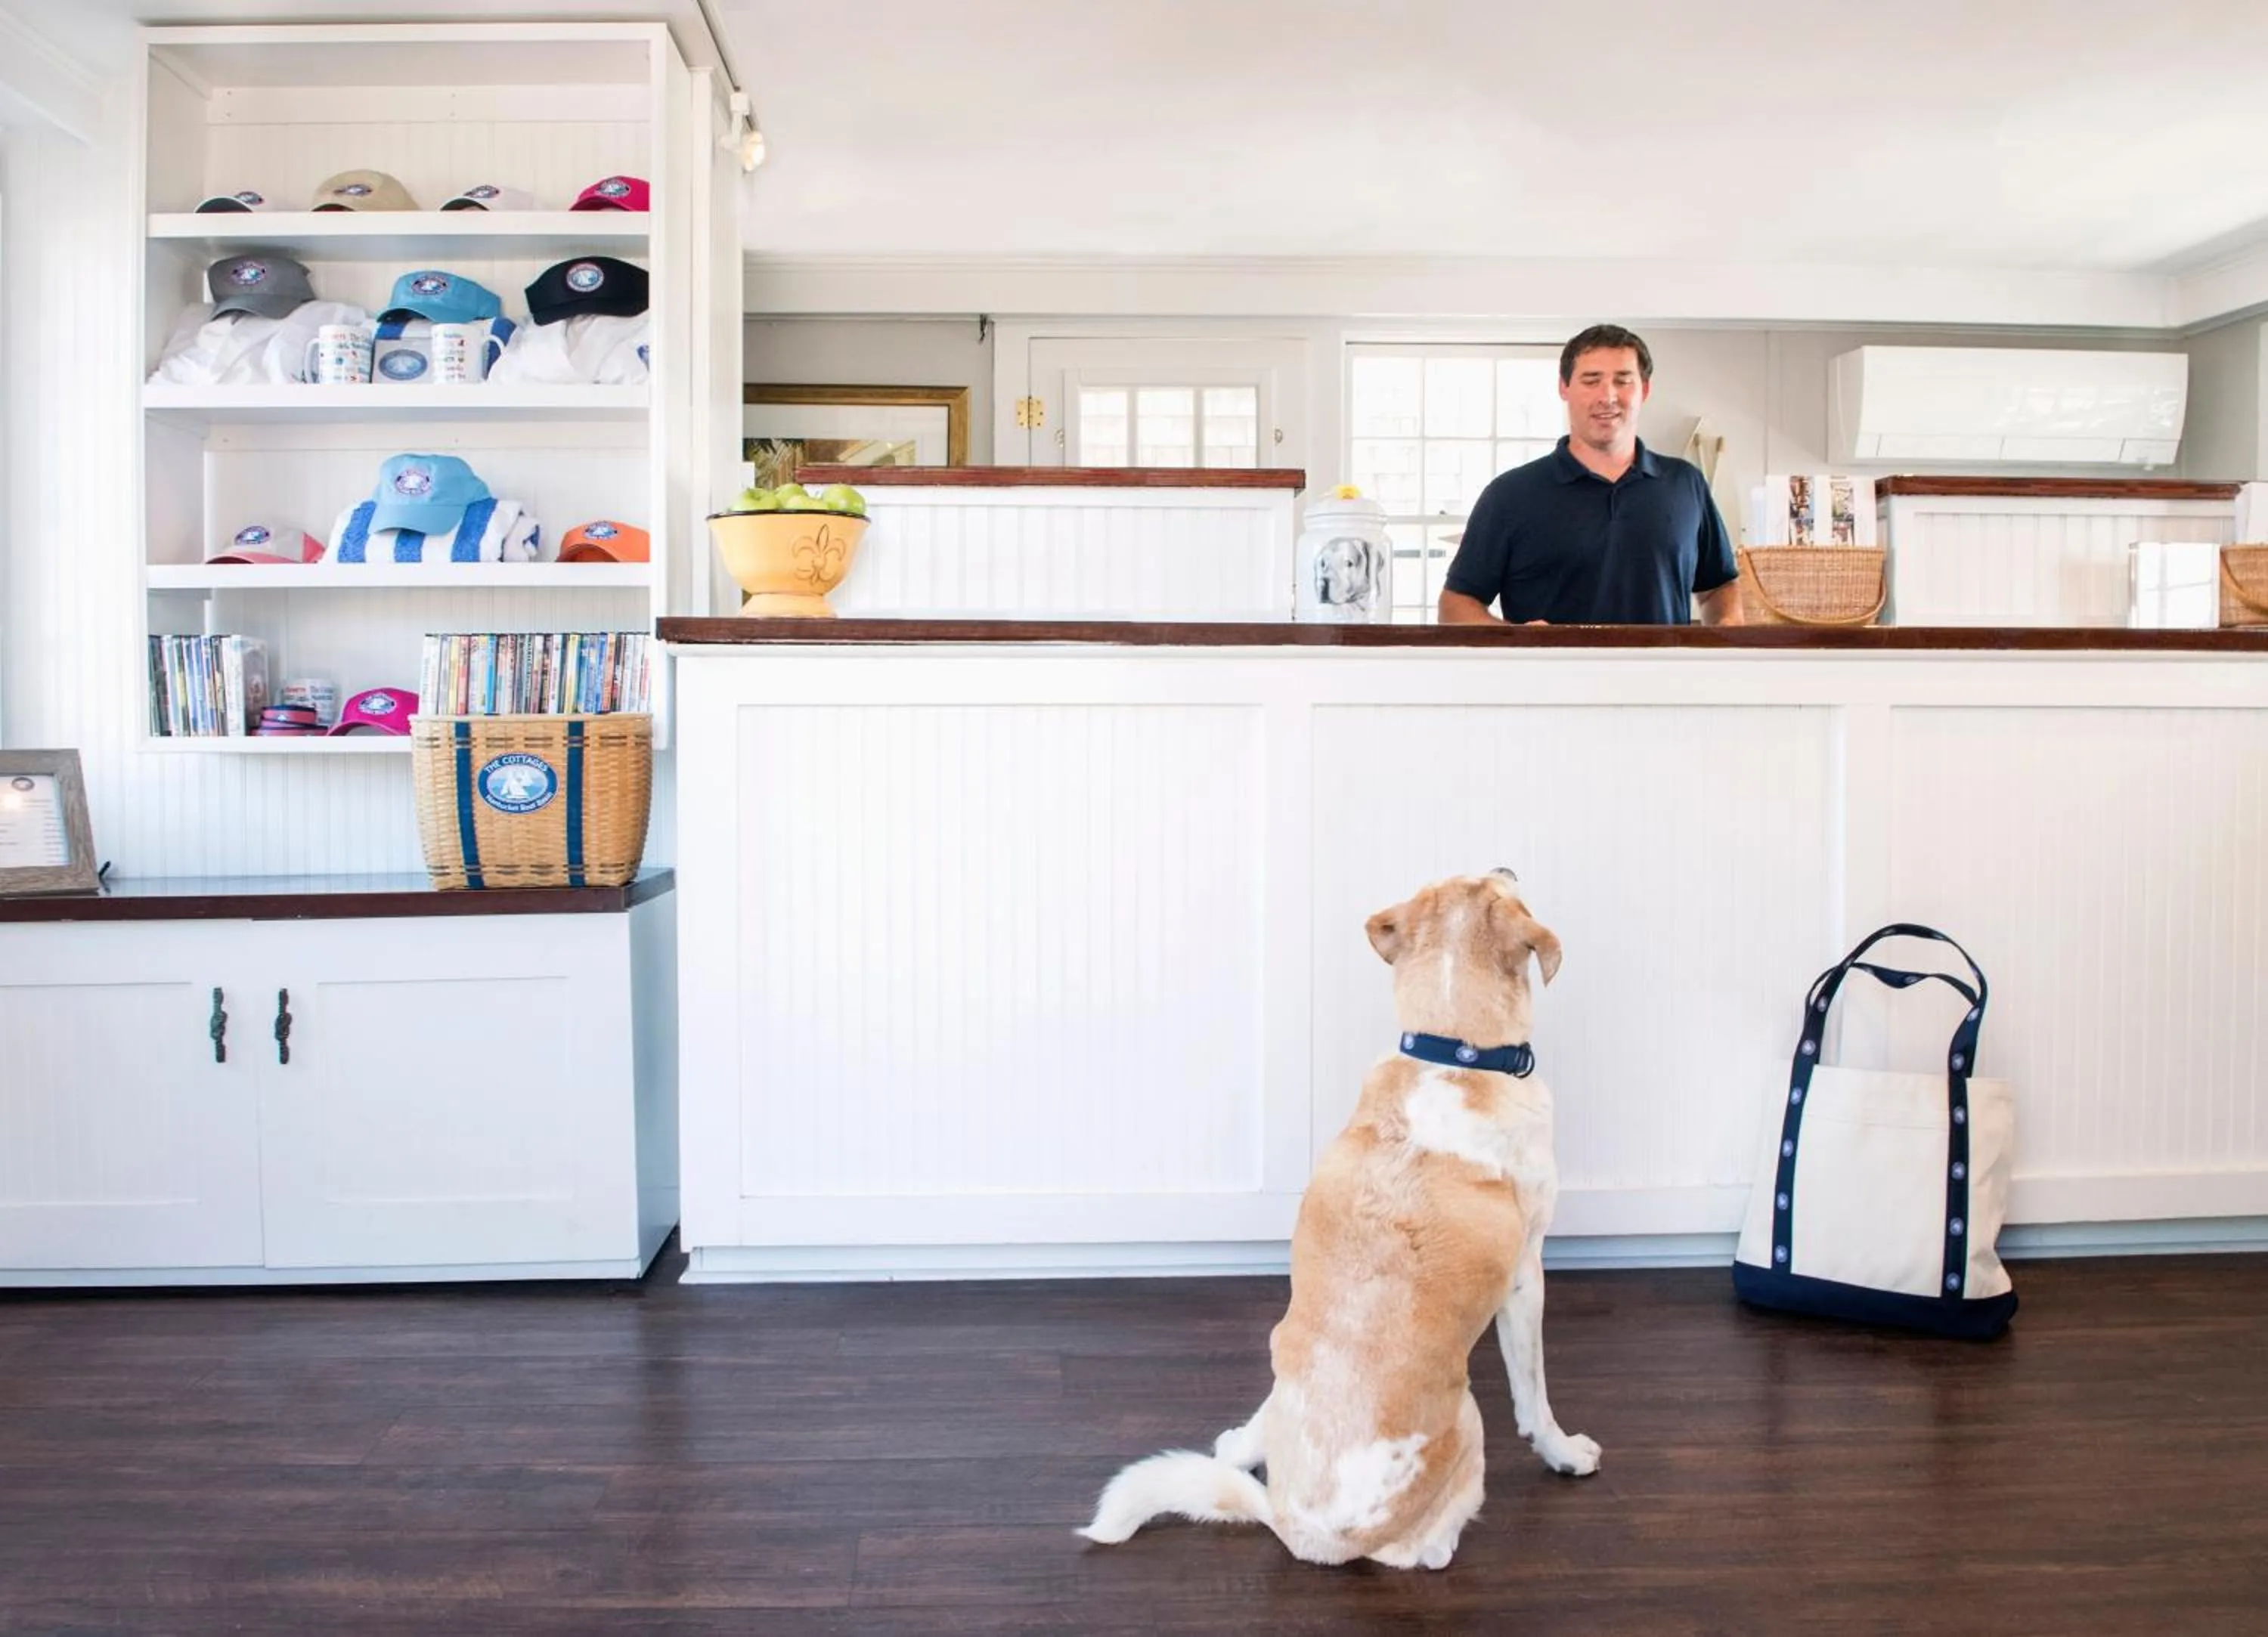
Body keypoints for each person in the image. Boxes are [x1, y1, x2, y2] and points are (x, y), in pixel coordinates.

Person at [1438, 324, 1741, 626]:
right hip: (1547, 676)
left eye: (1623, 381)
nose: (1607, 396)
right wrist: (1515, 641)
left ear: (1644, 390)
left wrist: (1727, 627)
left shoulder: (1686, 484)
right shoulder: (1509, 494)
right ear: (1564, 388)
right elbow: (1455, 606)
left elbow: (1718, 587)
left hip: (1664, 675)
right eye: (1591, 380)